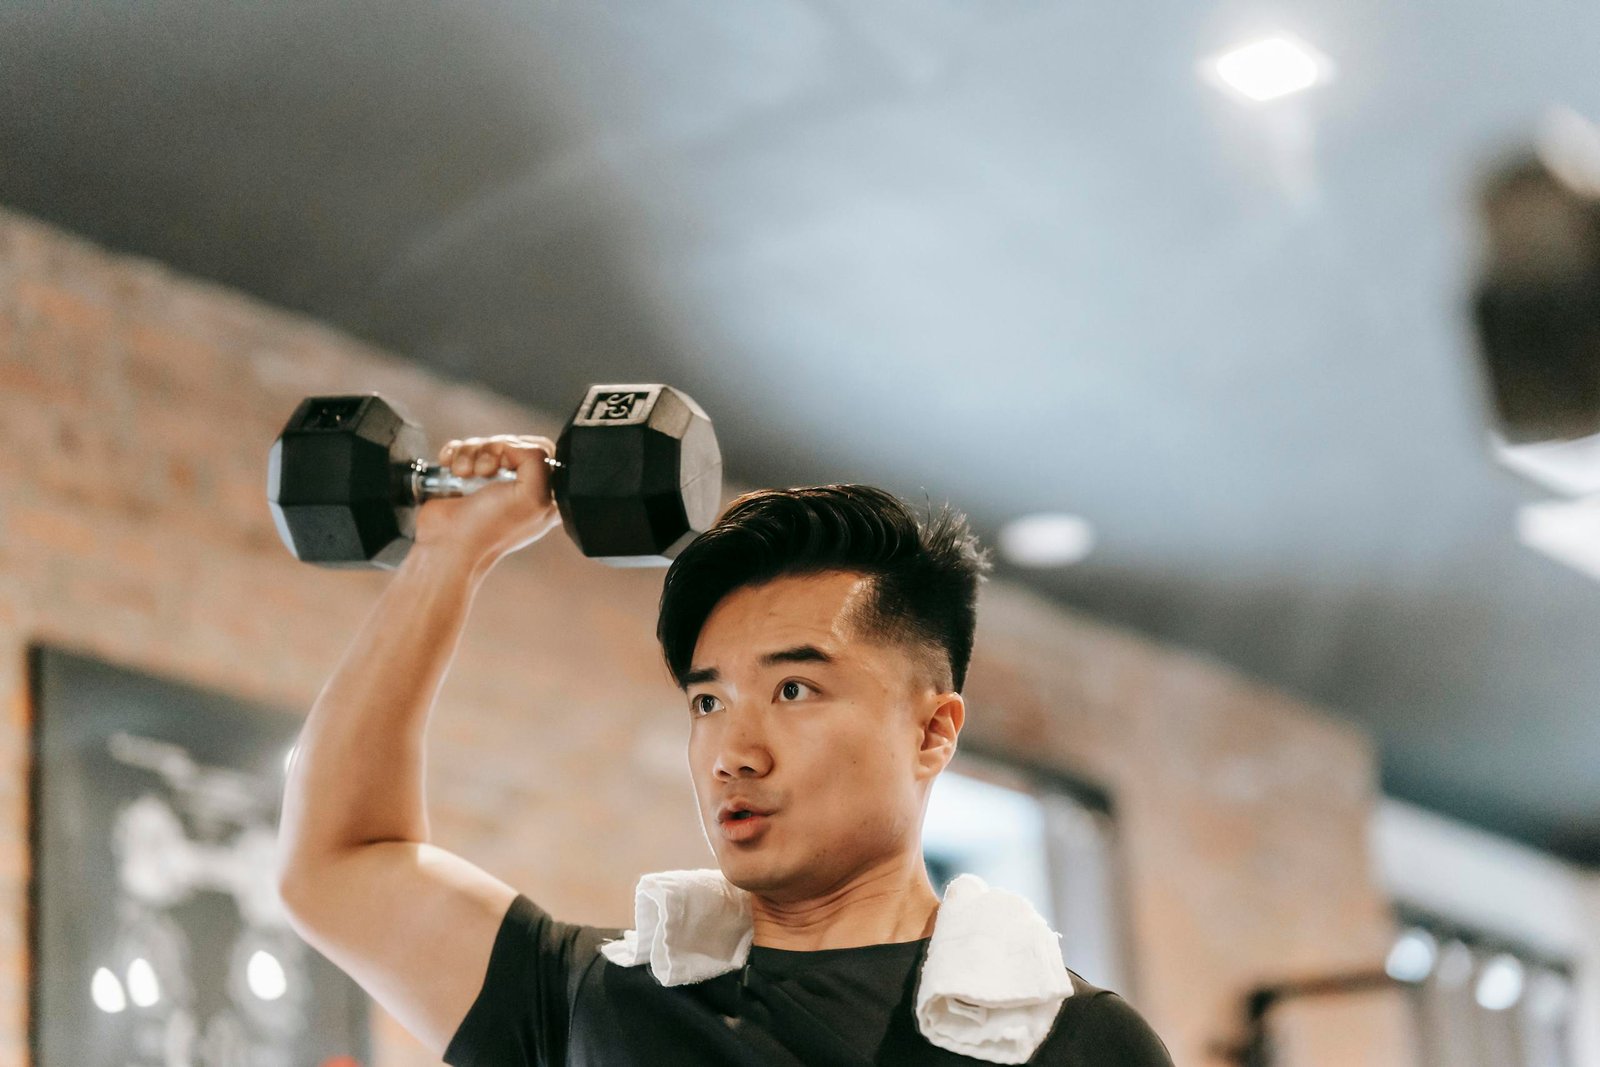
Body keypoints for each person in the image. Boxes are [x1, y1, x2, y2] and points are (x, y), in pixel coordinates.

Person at [277, 434, 1175, 1066]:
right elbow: (337, 859)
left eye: (794, 689)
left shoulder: (1070, 1042)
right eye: (707, 699)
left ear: (932, 731)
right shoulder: (598, 999)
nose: (732, 752)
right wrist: (450, 553)